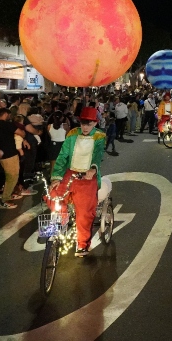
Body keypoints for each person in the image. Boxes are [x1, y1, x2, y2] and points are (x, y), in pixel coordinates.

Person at [50, 107, 106, 257]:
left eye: (89, 124)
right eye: (83, 123)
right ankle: (62, 221)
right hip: (71, 172)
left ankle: (82, 244)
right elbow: (63, 156)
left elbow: (97, 154)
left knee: (84, 212)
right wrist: (56, 176)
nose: (85, 127)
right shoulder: (72, 134)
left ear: (95, 123)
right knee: (54, 195)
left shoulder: (99, 136)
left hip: (87, 177)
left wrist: (93, 169)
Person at [0, 109, 23, 208]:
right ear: (5, 114)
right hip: (10, 154)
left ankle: (7, 195)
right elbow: (21, 133)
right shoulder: (7, 125)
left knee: (10, 176)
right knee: (12, 177)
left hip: (0, 154)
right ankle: (5, 199)